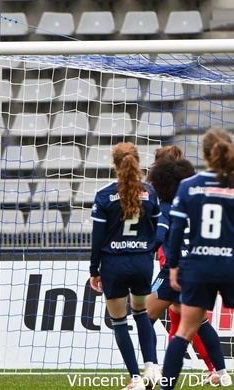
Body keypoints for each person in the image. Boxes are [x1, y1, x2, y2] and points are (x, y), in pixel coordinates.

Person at [160, 129, 234, 389]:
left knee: (184, 331)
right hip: (230, 264)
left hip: (198, 266)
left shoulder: (188, 186)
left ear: (203, 155)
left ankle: (166, 385)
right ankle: (221, 371)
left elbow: (177, 231)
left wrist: (173, 268)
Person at [89, 142, 160, 390]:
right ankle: (151, 366)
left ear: (115, 164)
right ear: (137, 162)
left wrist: (93, 271)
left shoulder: (104, 195)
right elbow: (159, 227)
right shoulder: (150, 192)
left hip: (114, 263)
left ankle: (135, 379)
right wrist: (149, 247)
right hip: (142, 262)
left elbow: (97, 239)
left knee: (119, 320)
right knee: (141, 313)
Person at [145, 151, 218, 384]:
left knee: (143, 316)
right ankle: (214, 367)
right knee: (189, 320)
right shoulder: (195, 202)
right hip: (197, 267)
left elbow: (160, 235)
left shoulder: (164, 203)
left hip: (172, 268)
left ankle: (151, 369)